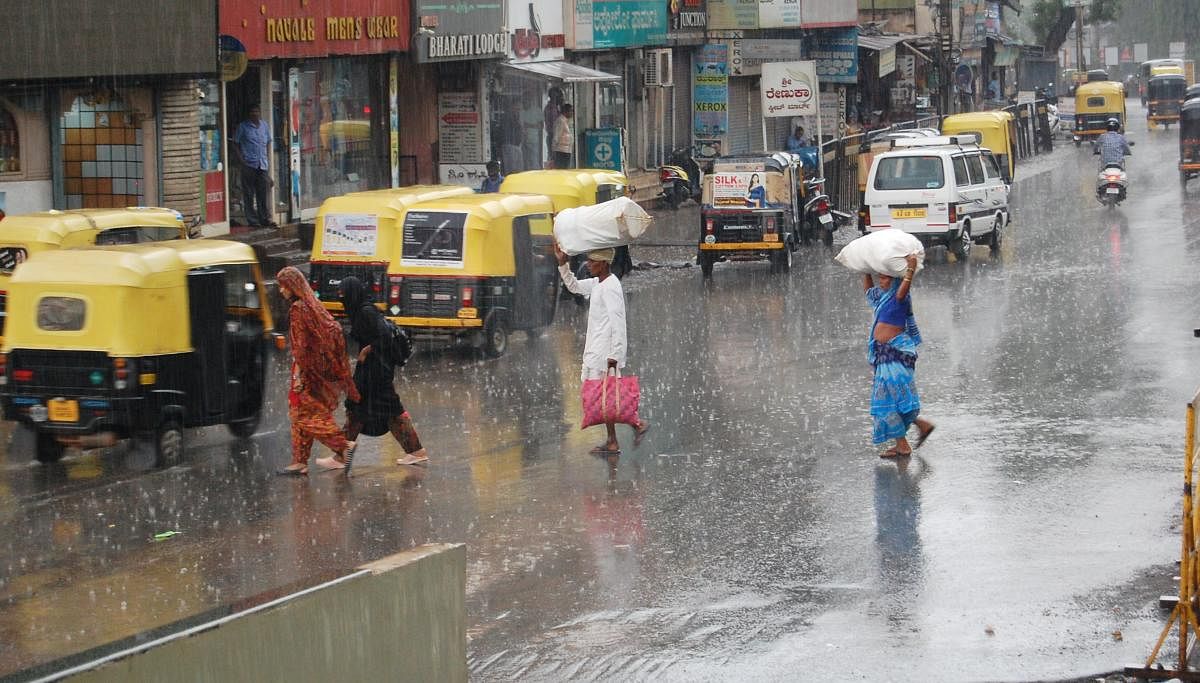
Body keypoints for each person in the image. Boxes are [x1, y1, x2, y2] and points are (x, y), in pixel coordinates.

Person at [554, 245, 648, 454]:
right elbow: (575, 287)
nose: (588, 264)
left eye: (592, 261)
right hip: (595, 350)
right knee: (605, 397)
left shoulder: (611, 287)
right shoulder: (598, 283)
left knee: (607, 397)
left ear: (604, 264)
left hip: (605, 354)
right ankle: (620, 436)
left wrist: (615, 355)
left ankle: (632, 428)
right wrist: (562, 264)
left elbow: (618, 324)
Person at [335, 277, 430, 468]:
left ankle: (342, 454)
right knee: (364, 407)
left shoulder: (365, 312)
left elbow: (384, 337)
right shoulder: (362, 310)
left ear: (352, 293)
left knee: (370, 407)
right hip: (374, 369)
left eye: (343, 294)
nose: (341, 298)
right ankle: (341, 454)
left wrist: (367, 350)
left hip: (376, 370)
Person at [276, 266, 360, 475]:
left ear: (292, 287)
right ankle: (300, 461)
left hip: (306, 372)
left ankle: (343, 446)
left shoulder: (298, 309)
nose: (281, 291)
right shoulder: (312, 305)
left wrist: (298, 374)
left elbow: (301, 347)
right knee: (303, 413)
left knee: (304, 416)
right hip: (318, 371)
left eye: (283, 286)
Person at [862, 255, 935, 458]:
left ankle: (904, 442)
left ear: (895, 280)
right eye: (880, 278)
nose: (881, 282)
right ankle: (917, 429)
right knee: (893, 400)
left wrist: (910, 269)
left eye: (885, 278)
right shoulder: (881, 298)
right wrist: (864, 268)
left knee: (888, 401)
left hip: (896, 354)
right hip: (884, 354)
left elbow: (904, 289)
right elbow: (868, 291)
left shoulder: (899, 297)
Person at [231, 105, 275, 228]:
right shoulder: (243, 127)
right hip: (249, 164)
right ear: (249, 114)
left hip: (262, 165)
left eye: (256, 111)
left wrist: (266, 158)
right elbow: (235, 144)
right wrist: (242, 160)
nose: (255, 113)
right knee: (249, 193)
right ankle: (252, 220)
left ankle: (264, 218)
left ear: (260, 113)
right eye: (252, 111)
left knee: (262, 192)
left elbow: (268, 143)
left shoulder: (264, 126)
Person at [544, 87, 564, 164]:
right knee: (554, 158)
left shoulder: (557, 108)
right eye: (559, 97)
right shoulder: (550, 108)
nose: (561, 98)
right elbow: (554, 124)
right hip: (553, 136)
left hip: (557, 136)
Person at [553, 104, 574, 170]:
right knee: (562, 170)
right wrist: (554, 150)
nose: (572, 113)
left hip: (567, 150)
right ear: (565, 112)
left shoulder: (567, 121)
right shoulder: (560, 121)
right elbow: (556, 136)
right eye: (571, 111)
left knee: (566, 169)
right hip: (561, 151)